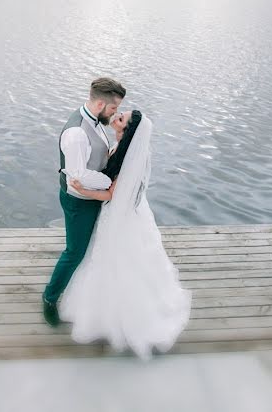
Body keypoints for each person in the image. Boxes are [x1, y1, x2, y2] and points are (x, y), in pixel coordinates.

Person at [61, 109, 192, 359]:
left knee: (118, 262)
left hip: (120, 215)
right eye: (120, 113)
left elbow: (111, 194)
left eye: (121, 118)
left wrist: (81, 189)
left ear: (127, 130)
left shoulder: (130, 158)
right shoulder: (122, 148)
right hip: (123, 211)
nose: (117, 116)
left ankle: (120, 318)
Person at [42, 77, 126, 327]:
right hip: (79, 200)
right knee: (74, 252)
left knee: (88, 249)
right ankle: (49, 298)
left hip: (92, 196)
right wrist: (111, 184)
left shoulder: (95, 120)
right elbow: (78, 175)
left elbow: (96, 155)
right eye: (113, 108)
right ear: (100, 103)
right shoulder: (77, 133)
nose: (115, 113)